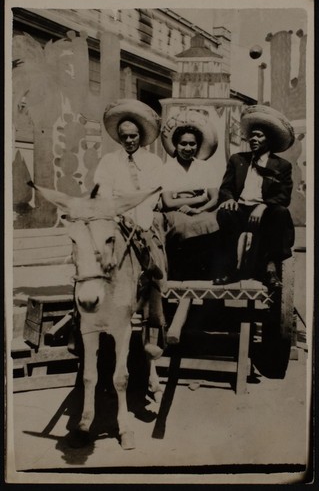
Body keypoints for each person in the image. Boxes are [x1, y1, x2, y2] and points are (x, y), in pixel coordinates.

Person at [93, 99, 167, 357]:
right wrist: (116, 214)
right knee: (88, 260)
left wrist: (137, 216)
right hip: (115, 216)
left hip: (144, 215)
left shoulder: (154, 162)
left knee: (153, 266)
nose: (129, 141)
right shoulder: (108, 162)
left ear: (141, 136)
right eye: (124, 137)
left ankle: (153, 329)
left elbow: (155, 194)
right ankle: (78, 329)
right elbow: (103, 192)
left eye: (133, 136)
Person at [215, 104, 295, 288]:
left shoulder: (281, 165)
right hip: (240, 209)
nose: (253, 138)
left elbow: (284, 196)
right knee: (224, 214)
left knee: (281, 213)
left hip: (264, 213)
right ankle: (229, 269)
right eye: (252, 135)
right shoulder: (238, 160)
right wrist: (228, 200)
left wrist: (263, 205)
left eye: (259, 135)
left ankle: (270, 268)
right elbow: (225, 187)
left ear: (270, 140)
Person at [160, 111, 220, 279]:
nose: (188, 148)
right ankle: (180, 275)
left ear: (198, 145)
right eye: (183, 144)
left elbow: (214, 198)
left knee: (213, 223)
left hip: (203, 211)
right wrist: (199, 198)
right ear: (175, 145)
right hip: (176, 213)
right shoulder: (168, 168)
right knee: (182, 226)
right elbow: (168, 202)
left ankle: (207, 275)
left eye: (192, 144)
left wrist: (199, 209)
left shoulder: (205, 167)